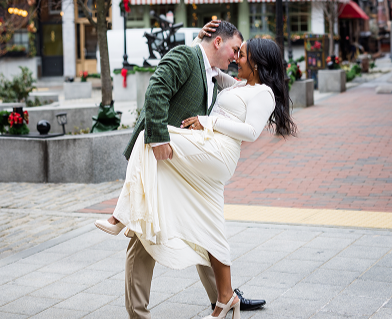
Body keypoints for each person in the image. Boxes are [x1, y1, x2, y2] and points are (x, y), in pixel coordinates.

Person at [96, 20, 295, 318]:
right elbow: (185, 75)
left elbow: (251, 130)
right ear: (218, 43)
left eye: (242, 53)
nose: (236, 56)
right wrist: (197, 39)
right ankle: (224, 298)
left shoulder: (256, 91)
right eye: (235, 49)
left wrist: (207, 122)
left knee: (152, 156)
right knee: (200, 225)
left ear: (256, 61)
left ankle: (119, 216)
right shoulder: (222, 77)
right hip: (182, 156)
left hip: (203, 153)